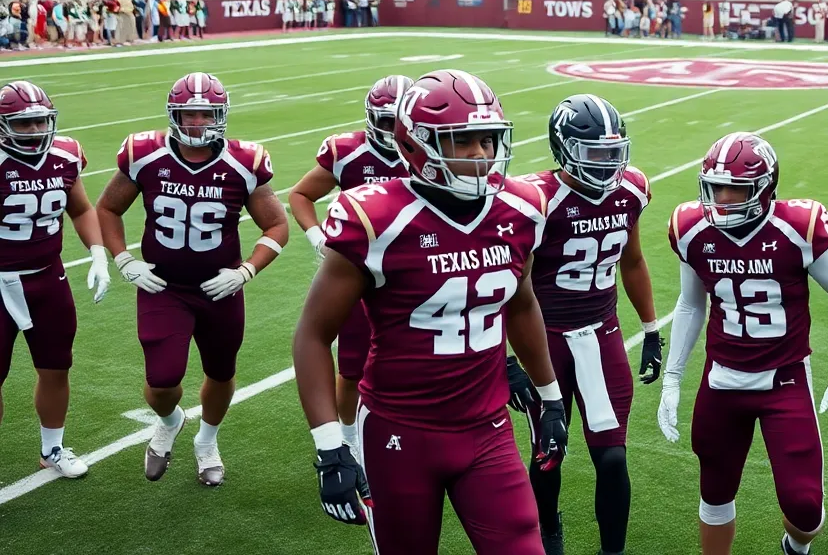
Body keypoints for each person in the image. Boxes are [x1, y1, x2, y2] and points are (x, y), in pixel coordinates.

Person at [293, 70, 569, 554]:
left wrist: (550, 399)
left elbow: (521, 302)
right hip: (401, 431)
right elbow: (313, 335)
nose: (483, 155)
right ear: (416, 146)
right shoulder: (376, 218)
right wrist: (330, 445)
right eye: (464, 142)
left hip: (488, 429)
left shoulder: (521, 208)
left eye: (489, 139)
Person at [658, 132, 828, 555]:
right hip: (721, 381)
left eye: (735, 187)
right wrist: (673, 377)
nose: (722, 197)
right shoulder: (691, 227)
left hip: (784, 380)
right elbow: (691, 303)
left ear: (765, 188)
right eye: (714, 187)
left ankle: (795, 547)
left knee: (806, 509)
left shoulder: (798, 226)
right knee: (715, 490)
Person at [96, 73, 289, 487]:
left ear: (221, 115)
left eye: (207, 114)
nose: (198, 122)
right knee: (162, 381)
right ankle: (170, 422)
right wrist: (124, 259)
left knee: (221, 372)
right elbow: (108, 209)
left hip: (220, 289)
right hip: (162, 287)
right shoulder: (144, 154)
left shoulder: (245, 162)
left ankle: (207, 441)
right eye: (189, 113)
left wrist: (246, 270)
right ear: (173, 115)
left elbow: (276, 227)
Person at [511, 95, 663, 555]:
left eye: (613, 151)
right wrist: (506, 360)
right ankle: (549, 534)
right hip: (546, 339)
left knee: (613, 456)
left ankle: (611, 551)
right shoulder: (537, 199)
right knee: (549, 452)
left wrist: (651, 328)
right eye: (594, 152)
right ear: (563, 148)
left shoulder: (631, 189)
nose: (607, 163)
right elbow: (507, 287)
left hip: (602, 334)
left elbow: (632, 261)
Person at [288, 76, 411, 456]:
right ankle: (349, 438)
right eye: (388, 121)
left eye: (402, 121)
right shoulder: (348, 152)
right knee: (352, 366)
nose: (396, 131)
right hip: (358, 274)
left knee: (410, 357)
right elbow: (301, 194)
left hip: (412, 272)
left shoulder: (428, 151)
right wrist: (317, 236)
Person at [0, 82, 110, 479]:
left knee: (56, 367)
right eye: (23, 123)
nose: (34, 131)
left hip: (48, 278)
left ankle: (52, 449)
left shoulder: (65, 154)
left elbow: (80, 208)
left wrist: (97, 253)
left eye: (40, 121)